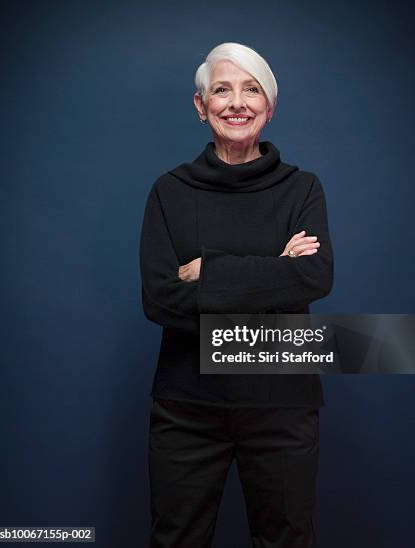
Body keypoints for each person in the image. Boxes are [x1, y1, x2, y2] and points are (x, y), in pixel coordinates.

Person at [139, 42, 334, 547]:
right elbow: (160, 300)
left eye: (251, 90)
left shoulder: (302, 188)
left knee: (287, 539)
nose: (237, 102)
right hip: (188, 406)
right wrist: (275, 272)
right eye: (221, 90)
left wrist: (210, 271)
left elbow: (314, 278)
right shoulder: (170, 191)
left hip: (282, 402)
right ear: (201, 108)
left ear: (269, 107)